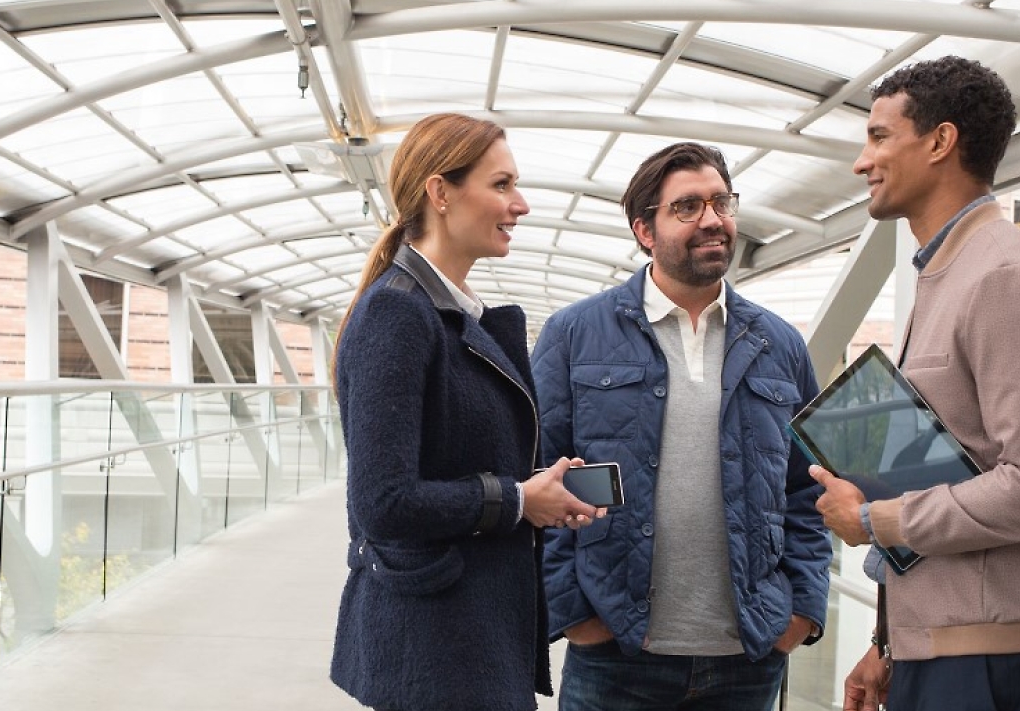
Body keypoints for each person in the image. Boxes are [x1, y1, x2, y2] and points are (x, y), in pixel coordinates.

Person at [809, 56, 1020, 711]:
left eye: (880, 136)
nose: (862, 162)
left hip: (999, 665)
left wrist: (873, 518)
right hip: (955, 651)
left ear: (941, 142)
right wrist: (892, 642)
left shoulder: (1008, 277)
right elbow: (965, 462)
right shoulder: (949, 273)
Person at [531, 141, 831, 711]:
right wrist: (574, 612)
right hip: (614, 653)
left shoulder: (779, 345)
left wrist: (801, 613)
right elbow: (539, 474)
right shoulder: (574, 335)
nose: (713, 219)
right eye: (687, 207)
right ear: (645, 230)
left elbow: (808, 488)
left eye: (722, 202)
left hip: (747, 657)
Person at [329, 112, 604, 711]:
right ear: (440, 192)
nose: (521, 204)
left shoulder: (451, 315)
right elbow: (382, 502)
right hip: (436, 648)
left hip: (466, 634)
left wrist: (537, 495)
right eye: (501, 185)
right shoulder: (397, 316)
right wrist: (518, 500)